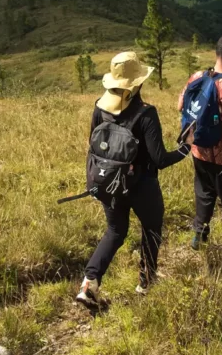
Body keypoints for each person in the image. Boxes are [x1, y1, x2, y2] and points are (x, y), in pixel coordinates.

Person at [77, 52, 191, 307]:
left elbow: (94, 146)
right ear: (138, 83)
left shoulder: (99, 107)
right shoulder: (146, 114)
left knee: (115, 231)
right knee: (151, 228)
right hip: (142, 185)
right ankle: (146, 280)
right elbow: (160, 159)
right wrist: (186, 148)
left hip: (108, 182)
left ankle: (89, 283)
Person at [178, 34, 222, 250]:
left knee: (203, 192)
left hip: (198, 149)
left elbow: (180, 104)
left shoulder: (197, 76)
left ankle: (199, 236)